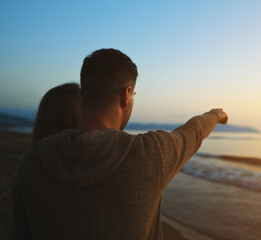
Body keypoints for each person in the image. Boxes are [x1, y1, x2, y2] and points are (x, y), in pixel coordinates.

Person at [13, 48, 228, 240]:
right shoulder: (149, 154)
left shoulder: (32, 162)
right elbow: (193, 131)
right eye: (133, 93)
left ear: (84, 94)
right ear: (126, 95)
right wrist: (216, 114)